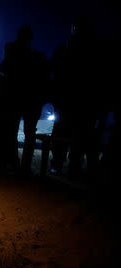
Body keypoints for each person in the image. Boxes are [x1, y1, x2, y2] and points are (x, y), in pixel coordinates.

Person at [50, 16, 102, 177]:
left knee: (63, 134)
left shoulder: (65, 49)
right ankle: (72, 165)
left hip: (68, 101)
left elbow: (54, 72)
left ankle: (60, 165)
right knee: (80, 135)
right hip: (84, 103)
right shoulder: (95, 51)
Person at [2, 25, 49, 175]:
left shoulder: (11, 49)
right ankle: (23, 166)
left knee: (13, 131)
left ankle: (15, 163)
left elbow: (7, 68)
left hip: (16, 97)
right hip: (29, 99)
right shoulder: (36, 57)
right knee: (28, 133)